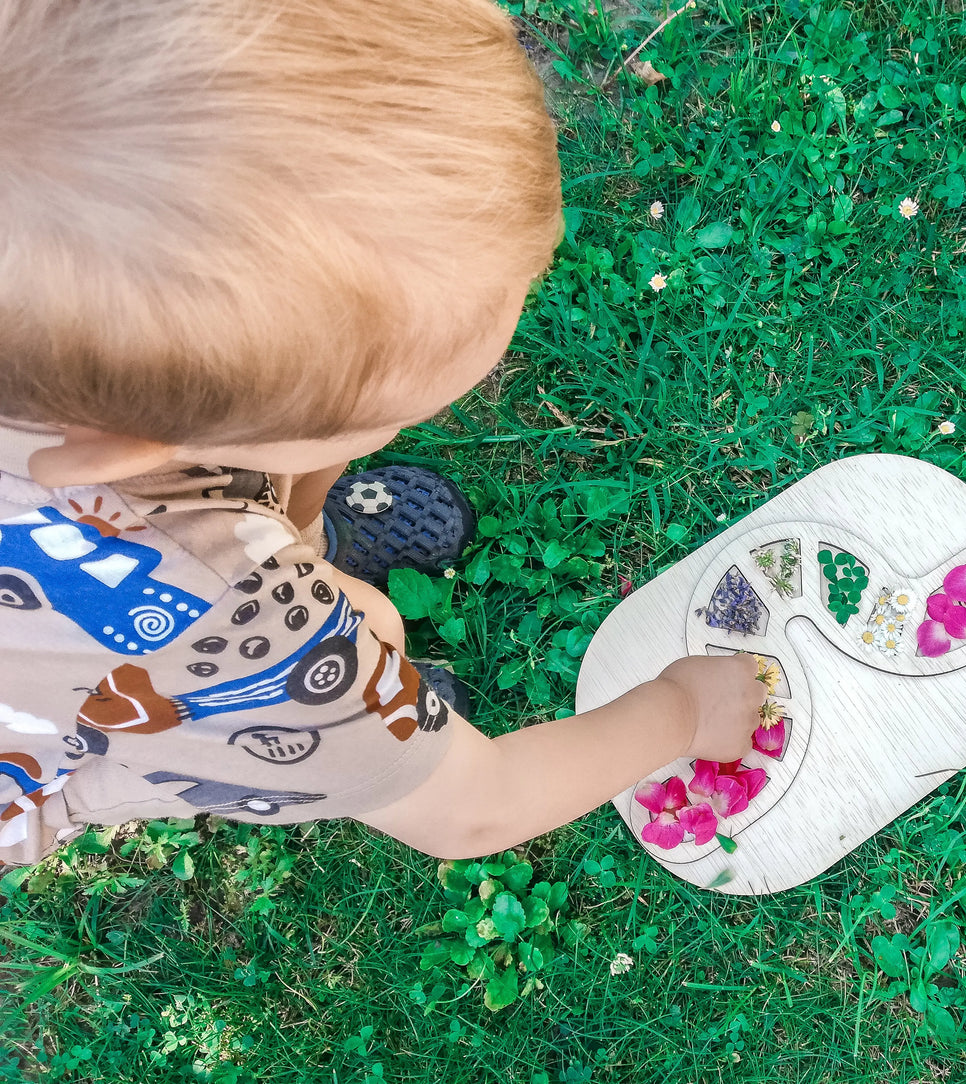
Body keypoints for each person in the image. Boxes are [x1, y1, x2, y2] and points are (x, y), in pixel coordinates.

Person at [0, 0, 764, 868]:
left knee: (347, 609)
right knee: (323, 666)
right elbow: (475, 812)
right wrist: (682, 710)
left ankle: (306, 557)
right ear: (127, 450)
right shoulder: (206, 618)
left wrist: (301, 535)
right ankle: (349, 717)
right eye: (383, 418)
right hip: (56, 720)